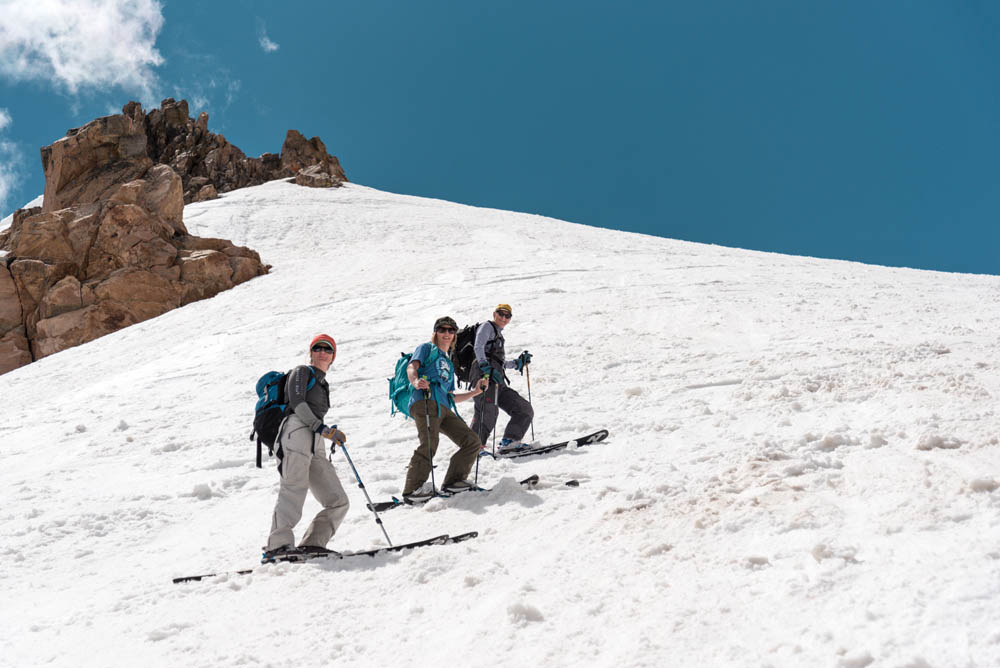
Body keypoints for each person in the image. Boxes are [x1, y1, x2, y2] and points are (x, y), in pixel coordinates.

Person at [264, 333, 350, 560]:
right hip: (297, 432)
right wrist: (322, 429)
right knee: (294, 487)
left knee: (337, 500)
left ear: (333, 357)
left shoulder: (323, 383)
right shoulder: (301, 372)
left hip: (315, 438)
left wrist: (325, 433)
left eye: (328, 349)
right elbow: (297, 402)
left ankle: (313, 543)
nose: (323, 352)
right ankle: (278, 546)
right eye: (318, 348)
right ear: (311, 353)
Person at [402, 316, 489, 500]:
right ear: (435, 333)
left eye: (451, 330)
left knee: (472, 441)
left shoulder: (448, 363)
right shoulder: (427, 348)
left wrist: (474, 392)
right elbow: (412, 366)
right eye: (442, 329)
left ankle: (453, 482)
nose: (447, 333)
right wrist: (415, 380)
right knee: (430, 444)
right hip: (424, 401)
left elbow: (450, 396)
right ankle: (412, 490)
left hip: (443, 408)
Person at [470, 303, 533, 454]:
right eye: (501, 314)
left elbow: (498, 362)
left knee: (523, 409)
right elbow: (478, 347)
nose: (503, 318)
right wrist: (485, 366)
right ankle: (473, 449)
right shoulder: (487, 327)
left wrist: (516, 363)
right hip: (483, 377)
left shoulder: (498, 335)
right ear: (494, 314)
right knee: (487, 412)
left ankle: (510, 441)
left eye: (507, 315)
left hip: (497, 380)